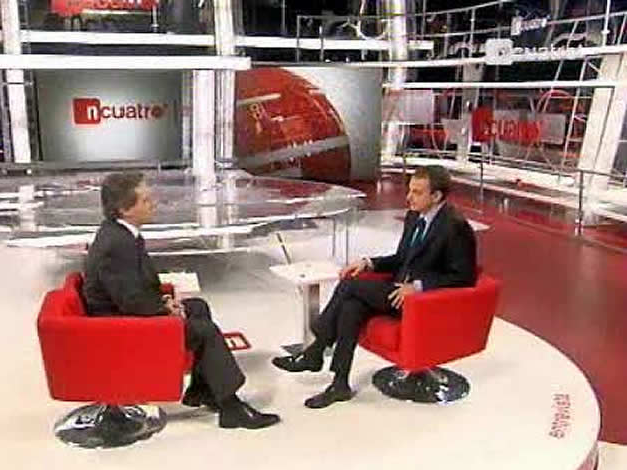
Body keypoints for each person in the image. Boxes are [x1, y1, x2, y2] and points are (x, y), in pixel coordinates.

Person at [83, 172, 280, 430]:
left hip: (127, 314)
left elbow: (132, 286)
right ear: (124, 209)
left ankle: (203, 390)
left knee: (198, 307)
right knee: (205, 331)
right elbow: (130, 301)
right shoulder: (116, 245)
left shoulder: (122, 234)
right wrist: (164, 309)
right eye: (145, 200)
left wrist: (164, 300)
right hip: (120, 328)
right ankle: (231, 407)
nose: (153, 204)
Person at [272, 165, 477, 408]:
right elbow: (402, 258)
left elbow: (463, 276)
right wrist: (369, 263)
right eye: (410, 190)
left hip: (423, 303)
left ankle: (315, 351)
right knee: (350, 307)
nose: (409, 197)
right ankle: (339, 384)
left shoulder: (455, 227)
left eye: (417, 192)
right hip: (397, 292)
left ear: (437, 196)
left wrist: (419, 287)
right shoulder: (414, 216)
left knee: (349, 286)